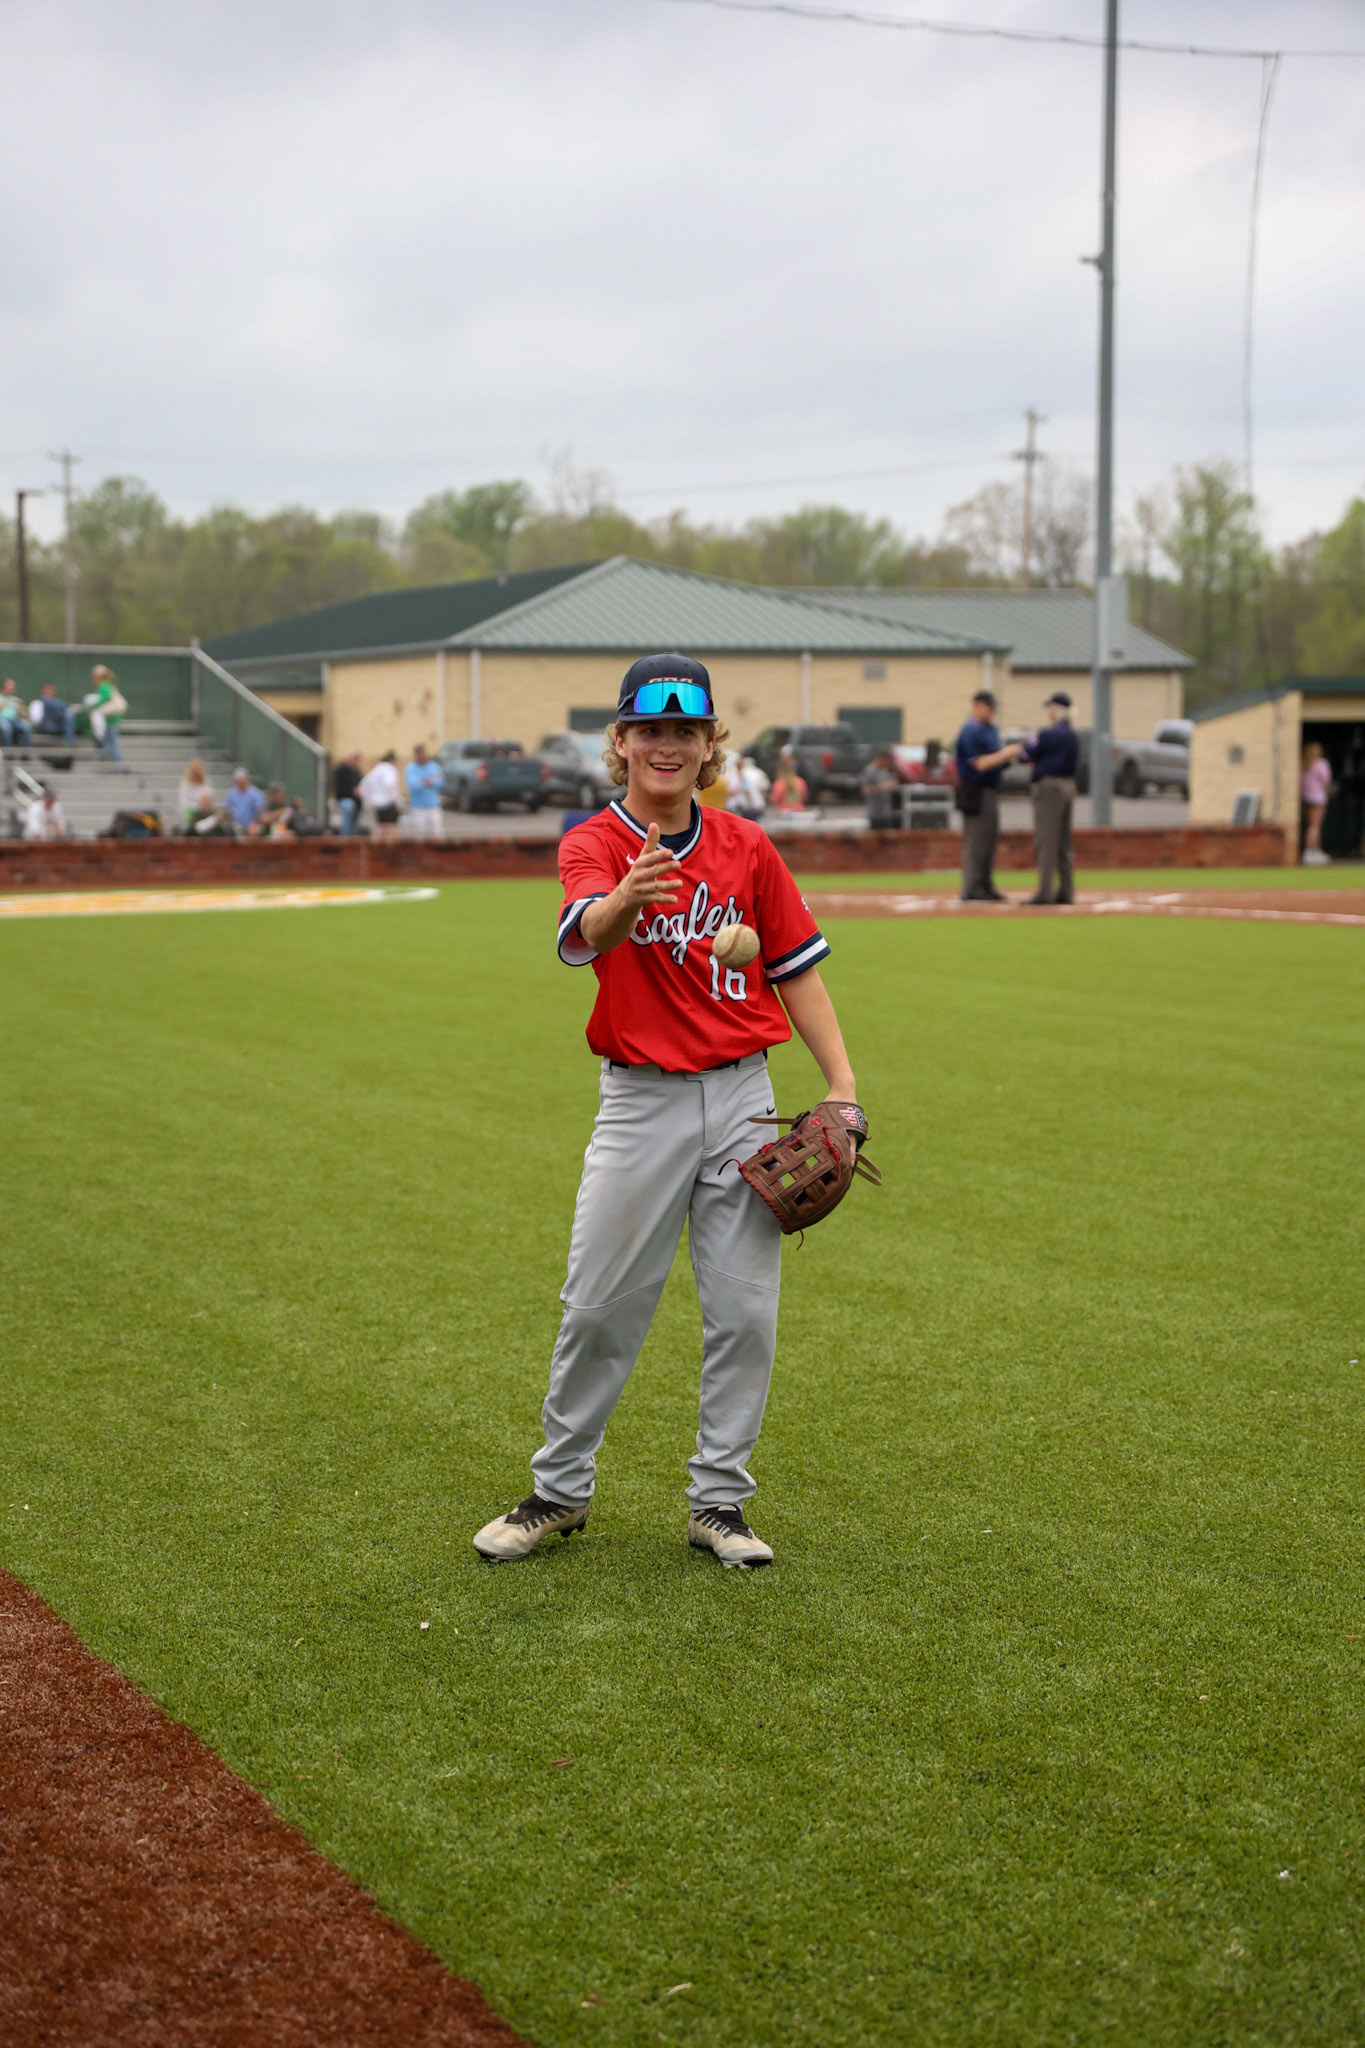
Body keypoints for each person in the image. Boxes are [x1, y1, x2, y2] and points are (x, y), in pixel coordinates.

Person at [472, 653, 864, 1572]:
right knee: (600, 1306)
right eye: (649, 729)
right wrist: (624, 898)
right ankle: (559, 1492)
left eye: (685, 732)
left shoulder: (746, 847)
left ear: (707, 746)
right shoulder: (592, 844)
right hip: (638, 1101)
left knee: (744, 1312)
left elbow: (794, 969)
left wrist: (841, 1085)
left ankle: (718, 1501)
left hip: (741, 1095)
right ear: (620, 742)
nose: (666, 745)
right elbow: (586, 935)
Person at [954, 688, 1022, 902]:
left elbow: (996, 760)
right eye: (988, 708)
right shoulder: (970, 730)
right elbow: (980, 763)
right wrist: (1006, 753)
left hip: (991, 788)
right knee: (976, 840)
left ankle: (985, 884)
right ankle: (972, 887)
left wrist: (1009, 758)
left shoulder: (990, 729)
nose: (992, 712)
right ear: (978, 706)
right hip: (975, 789)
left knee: (989, 839)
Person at [1019, 691, 1079, 904]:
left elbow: (1024, 754)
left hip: (1049, 787)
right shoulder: (1072, 735)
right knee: (1063, 841)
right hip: (1068, 785)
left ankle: (1045, 891)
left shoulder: (1048, 734)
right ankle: (1066, 891)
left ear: (1056, 709)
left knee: (1047, 839)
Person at [83, 664, 128, 768]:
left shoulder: (104, 685)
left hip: (111, 718)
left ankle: (117, 765)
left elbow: (105, 697)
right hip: (109, 718)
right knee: (107, 742)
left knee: (111, 742)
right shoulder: (108, 685)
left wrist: (94, 705)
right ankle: (111, 764)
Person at [404, 743, 445, 839]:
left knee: (436, 835)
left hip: (433, 806)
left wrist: (425, 781)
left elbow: (440, 781)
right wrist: (428, 781)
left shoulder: (434, 766)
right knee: (418, 836)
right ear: (417, 755)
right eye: (421, 754)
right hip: (418, 808)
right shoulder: (410, 768)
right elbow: (413, 784)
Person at [359, 750, 402, 840]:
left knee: (381, 830)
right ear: (391, 760)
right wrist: (395, 799)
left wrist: (368, 800)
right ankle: (389, 852)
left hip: (377, 804)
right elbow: (389, 784)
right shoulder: (389, 768)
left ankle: (382, 852)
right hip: (388, 803)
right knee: (390, 831)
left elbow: (363, 785)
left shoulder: (376, 769)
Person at [1300, 741, 1332, 866]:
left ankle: (1313, 851)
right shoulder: (1321, 764)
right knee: (1315, 826)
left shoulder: (1302, 764)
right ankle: (1311, 852)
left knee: (1311, 825)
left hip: (1305, 798)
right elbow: (1326, 783)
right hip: (1318, 798)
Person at [859, 747, 900, 831]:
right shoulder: (869, 771)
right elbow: (864, 790)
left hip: (886, 812)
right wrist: (880, 787)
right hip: (874, 813)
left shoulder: (885, 771)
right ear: (880, 759)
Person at [723, 753, 769, 821]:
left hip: (747, 806)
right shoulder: (737, 774)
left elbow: (747, 788)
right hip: (748, 806)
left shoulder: (742, 774)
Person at [223, 767, 265, 835]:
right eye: (238, 781)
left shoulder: (256, 793)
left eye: (242, 780)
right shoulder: (231, 794)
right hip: (235, 828)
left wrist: (254, 823)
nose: (240, 783)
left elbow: (259, 812)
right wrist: (232, 824)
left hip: (252, 827)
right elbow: (229, 811)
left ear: (247, 779)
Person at [770, 749, 811, 817]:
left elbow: (775, 799)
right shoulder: (800, 781)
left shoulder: (779, 783)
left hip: (784, 813)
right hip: (799, 811)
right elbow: (805, 797)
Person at [177, 758, 214, 829]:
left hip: (205, 814)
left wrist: (205, 804)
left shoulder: (206, 783)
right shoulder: (186, 785)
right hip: (191, 814)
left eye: (199, 771)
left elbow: (209, 800)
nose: (197, 773)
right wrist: (199, 806)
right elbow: (184, 804)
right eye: (195, 771)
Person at [334, 751, 364, 835]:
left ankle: (353, 838)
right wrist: (352, 791)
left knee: (355, 823)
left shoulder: (357, 771)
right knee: (349, 809)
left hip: (357, 801)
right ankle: (345, 838)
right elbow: (339, 788)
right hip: (345, 798)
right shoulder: (340, 770)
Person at [0, 679, 33, 749]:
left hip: (15, 721)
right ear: (4, 687)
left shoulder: (15, 699)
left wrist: (21, 711)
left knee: (26, 726)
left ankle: (25, 753)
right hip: (2, 720)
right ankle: (9, 752)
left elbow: (25, 715)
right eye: (10, 686)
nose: (12, 688)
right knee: (6, 728)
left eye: (13, 686)